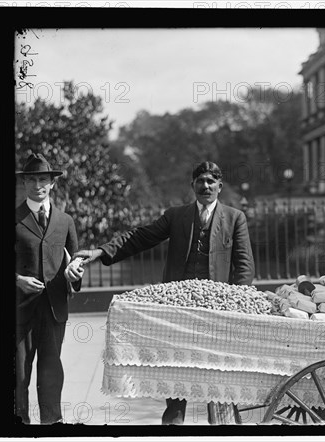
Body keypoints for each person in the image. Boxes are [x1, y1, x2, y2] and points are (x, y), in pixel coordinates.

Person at [74, 161, 255, 424]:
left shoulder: (235, 217)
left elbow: (245, 266)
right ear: (192, 185)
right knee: (174, 375)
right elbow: (141, 236)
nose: (205, 186)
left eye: (210, 181)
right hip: (178, 308)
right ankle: (172, 425)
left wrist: (235, 305)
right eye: (200, 181)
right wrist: (101, 251)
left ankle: (222, 425)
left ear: (220, 186)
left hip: (218, 311)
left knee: (219, 378)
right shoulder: (176, 216)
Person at [15, 153, 85, 424]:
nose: (38, 185)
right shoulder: (8, 219)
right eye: (32, 180)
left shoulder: (65, 221)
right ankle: (17, 424)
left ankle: (52, 424)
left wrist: (74, 273)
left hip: (55, 308)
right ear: (24, 184)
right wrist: (16, 279)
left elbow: (75, 261)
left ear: (52, 183)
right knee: (18, 373)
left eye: (43, 179)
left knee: (51, 370)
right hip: (20, 309)